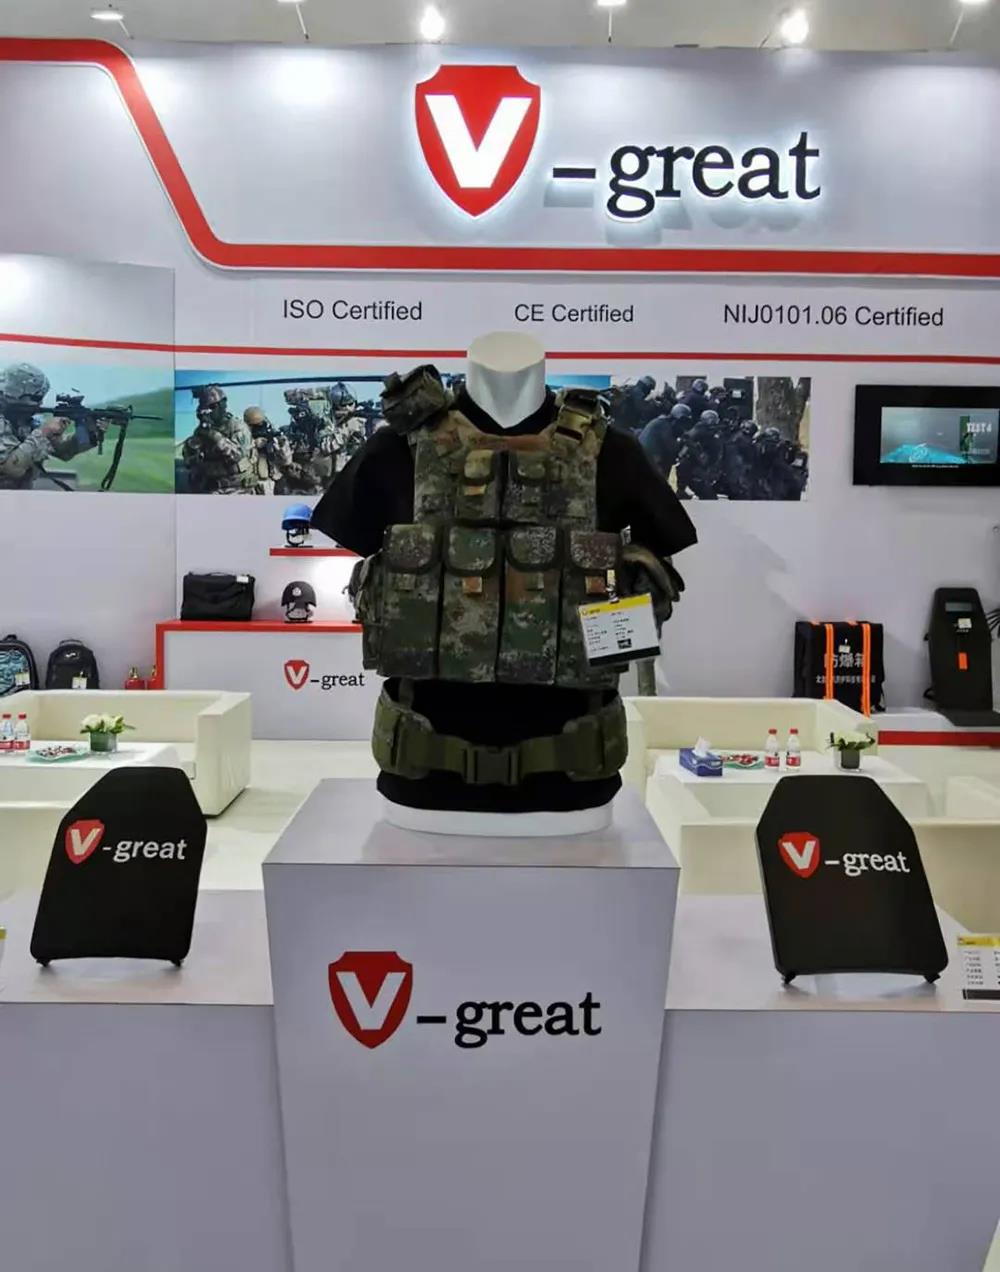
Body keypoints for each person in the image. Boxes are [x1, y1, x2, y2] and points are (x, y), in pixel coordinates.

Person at [0, 362, 107, 490]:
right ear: (14, 393)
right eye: (36, 398)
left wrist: (89, 431)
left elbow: (63, 451)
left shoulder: (24, 421)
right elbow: (11, 468)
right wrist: (44, 432)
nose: (40, 403)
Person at [182, 384, 254, 494]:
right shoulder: (202, 430)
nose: (209, 412)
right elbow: (190, 461)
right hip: (211, 487)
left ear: (222, 405)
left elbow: (236, 455)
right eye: (206, 409)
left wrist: (214, 436)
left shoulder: (237, 426)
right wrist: (192, 448)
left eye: (212, 407)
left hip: (237, 488)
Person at [244, 406, 293, 495]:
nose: (258, 428)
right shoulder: (245, 439)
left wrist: (280, 447)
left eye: (260, 424)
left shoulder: (274, 437)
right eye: (254, 426)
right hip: (252, 484)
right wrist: (254, 444)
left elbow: (287, 462)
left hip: (274, 482)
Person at [676, 409, 724, 500]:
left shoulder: (699, 430)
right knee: (708, 496)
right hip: (693, 467)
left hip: (693, 466)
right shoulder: (701, 431)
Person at [638, 403, 692, 483]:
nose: (682, 426)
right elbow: (672, 449)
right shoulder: (663, 425)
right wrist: (682, 444)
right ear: (675, 419)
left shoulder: (661, 422)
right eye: (681, 422)